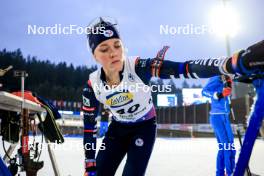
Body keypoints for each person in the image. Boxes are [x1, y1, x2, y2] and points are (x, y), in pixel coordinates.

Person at [82, 17, 264, 176]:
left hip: (143, 128)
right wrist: (89, 164)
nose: (113, 52)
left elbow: (185, 68)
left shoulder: (138, 67)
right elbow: (89, 128)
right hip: (117, 130)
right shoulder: (93, 85)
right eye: (104, 49)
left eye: (117, 45)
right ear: (94, 56)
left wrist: (232, 63)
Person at [202, 75, 236, 176]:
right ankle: (229, 173)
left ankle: (223, 173)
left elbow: (227, 95)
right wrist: (218, 95)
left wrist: (229, 83)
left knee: (228, 147)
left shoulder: (228, 79)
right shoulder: (216, 78)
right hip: (217, 117)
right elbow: (204, 91)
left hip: (225, 116)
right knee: (226, 146)